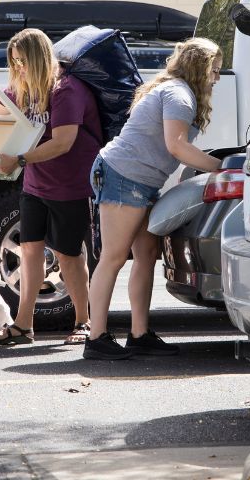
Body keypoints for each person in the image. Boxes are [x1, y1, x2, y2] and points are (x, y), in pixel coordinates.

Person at [83, 37, 223, 360]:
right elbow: (176, 145)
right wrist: (219, 167)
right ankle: (96, 338)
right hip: (124, 176)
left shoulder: (176, 91)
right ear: (198, 69)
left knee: (146, 254)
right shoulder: (178, 95)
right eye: (213, 71)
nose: (216, 77)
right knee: (114, 257)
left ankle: (139, 334)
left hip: (139, 180)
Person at [0, 28, 102, 346]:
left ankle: (83, 322)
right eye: (14, 62)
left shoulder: (66, 90)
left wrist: (17, 159)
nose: (19, 68)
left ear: (40, 58)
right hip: (36, 185)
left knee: (69, 254)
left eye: (24, 62)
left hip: (70, 186)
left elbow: (63, 142)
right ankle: (23, 326)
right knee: (30, 250)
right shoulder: (26, 88)